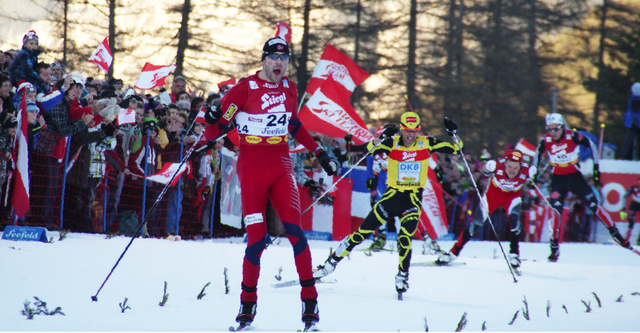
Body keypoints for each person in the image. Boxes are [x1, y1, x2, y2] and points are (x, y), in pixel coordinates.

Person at [203, 36, 339, 328]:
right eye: (274, 57)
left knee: (296, 234)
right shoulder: (244, 90)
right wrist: (210, 116)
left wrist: (320, 152)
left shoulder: (290, 88)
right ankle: (247, 307)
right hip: (251, 167)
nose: (279, 63)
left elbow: (294, 125)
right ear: (263, 60)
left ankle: (310, 305)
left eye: (284, 58)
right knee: (256, 241)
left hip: (280, 163)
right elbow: (213, 132)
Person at [313, 112, 461, 298]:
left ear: (419, 131)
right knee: (360, 234)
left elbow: (457, 149)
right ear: (401, 129)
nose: (410, 135)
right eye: (407, 131)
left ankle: (402, 275)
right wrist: (352, 144)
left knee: (404, 238)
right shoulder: (391, 143)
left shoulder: (427, 143)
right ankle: (329, 265)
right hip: (391, 198)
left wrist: (453, 133)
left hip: (412, 199)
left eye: (414, 132)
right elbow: (364, 149)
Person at [532, 113, 632, 262]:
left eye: (556, 129)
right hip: (558, 179)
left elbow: (592, 145)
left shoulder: (572, 136)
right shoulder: (545, 139)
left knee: (594, 206)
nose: (553, 133)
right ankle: (554, 249)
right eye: (550, 129)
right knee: (555, 212)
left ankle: (616, 235)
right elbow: (537, 153)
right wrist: (533, 169)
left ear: (562, 127)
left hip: (575, 178)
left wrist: (596, 167)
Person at [437, 150, 535, 270]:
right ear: (505, 163)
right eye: (509, 166)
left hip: (512, 196)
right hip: (493, 195)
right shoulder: (497, 165)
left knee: (514, 220)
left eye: (515, 168)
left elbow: (532, 180)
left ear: (520, 166)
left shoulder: (527, 170)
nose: (511, 170)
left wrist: (532, 179)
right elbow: (484, 172)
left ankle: (514, 254)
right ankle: (453, 253)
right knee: (476, 224)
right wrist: (487, 170)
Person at [621, 83, 640, 160]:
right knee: (629, 140)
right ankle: (626, 156)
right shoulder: (634, 99)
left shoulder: (631, 98)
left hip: (631, 122)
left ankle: (625, 155)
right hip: (635, 122)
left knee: (628, 140)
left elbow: (629, 110)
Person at [621, 177, 640, 246]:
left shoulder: (634, 186)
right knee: (631, 221)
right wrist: (623, 208)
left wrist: (623, 207)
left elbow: (624, 196)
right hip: (634, 203)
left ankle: (637, 240)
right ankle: (627, 239)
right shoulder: (634, 186)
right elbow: (624, 196)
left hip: (634, 203)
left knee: (631, 222)